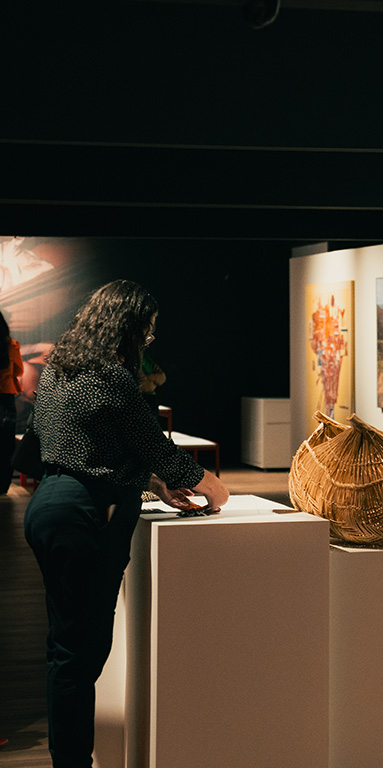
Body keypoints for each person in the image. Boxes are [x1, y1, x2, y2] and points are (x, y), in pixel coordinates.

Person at [22, 280, 230, 767]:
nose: (149, 341)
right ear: (130, 328)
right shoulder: (114, 378)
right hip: (86, 515)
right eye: (148, 332)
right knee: (80, 654)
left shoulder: (60, 371)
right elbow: (152, 443)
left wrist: (155, 486)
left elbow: (90, 443)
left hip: (51, 505)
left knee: (68, 649)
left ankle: (68, 757)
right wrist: (211, 485)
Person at [0, 312, 24, 493]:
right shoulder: (11, 344)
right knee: (7, 442)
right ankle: (3, 485)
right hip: (6, 395)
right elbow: (19, 370)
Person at [139, 352, 166, 419]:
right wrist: (153, 380)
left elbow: (162, 378)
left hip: (151, 399)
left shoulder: (145, 356)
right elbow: (143, 385)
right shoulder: (129, 358)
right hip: (138, 398)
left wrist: (150, 377)